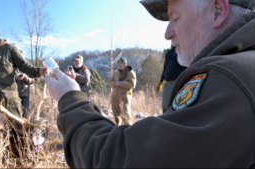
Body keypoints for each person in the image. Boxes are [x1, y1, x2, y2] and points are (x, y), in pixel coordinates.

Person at [45, 0, 255, 168]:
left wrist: (70, 99)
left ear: (217, 11)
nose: (167, 33)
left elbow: (119, 160)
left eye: (175, 18)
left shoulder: (229, 79)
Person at [0, 22, 46, 119]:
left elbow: (23, 65)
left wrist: (38, 71)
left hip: (8, 94)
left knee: (17, 124)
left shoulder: (9, 49)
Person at [156, 46, 186, 113]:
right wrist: (161, 81)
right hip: (168, 83)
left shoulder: (185, 50)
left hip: (180, 82)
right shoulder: (169, 53)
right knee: (165, 107)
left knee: (179, 108)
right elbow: (165, 68)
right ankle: (166, 122)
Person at [108, 57, 136, 126]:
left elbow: (132, 85)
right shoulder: (116, 73)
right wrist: (115, 83)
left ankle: (128, 131)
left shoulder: (130, 73)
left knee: (126, 116)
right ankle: (118, 130)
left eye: (121, 63)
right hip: (115, 97)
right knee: (116, 116)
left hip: (124, 97)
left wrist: (120, 83)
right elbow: (110, 82)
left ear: (125, 64)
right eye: (118, 63)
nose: (119, 65)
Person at [15, 50, 35, 119]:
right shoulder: (11, 66)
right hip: (14, 95)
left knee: (24, 116)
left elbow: (33, 80)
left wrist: (27, 79)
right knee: (14, 115)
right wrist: (15, 78)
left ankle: (23, 129)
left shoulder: (27, 67)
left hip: (25, 96)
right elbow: (5, 78)